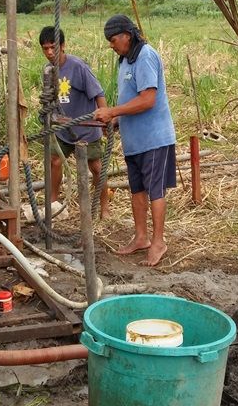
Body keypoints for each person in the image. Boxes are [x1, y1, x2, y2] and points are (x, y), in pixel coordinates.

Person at [93, 15, 176, 266]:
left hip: (154, 138)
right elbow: (132, 100)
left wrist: (113, 111)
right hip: (134, 141)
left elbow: (148, 99)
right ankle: (141, 237)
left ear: (127, 35)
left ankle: (158, 241)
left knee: (155, 191)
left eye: (113, 39)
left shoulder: (145, 56)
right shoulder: (125, 61)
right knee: (137, 190)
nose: (111, 45)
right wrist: (116, 121)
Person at [39, 26, 111, 219]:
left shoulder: (78, 67)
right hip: (63, 129)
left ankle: (104, 208)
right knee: (54, 161)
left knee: (96, 167)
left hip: (86, 130)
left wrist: (104, 118)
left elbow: (98, 93)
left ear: (63, 46)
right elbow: (49, 99)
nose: (49, 52)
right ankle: (53, 203)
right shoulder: (48, 71)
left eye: (53, 47)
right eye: (45, 49)